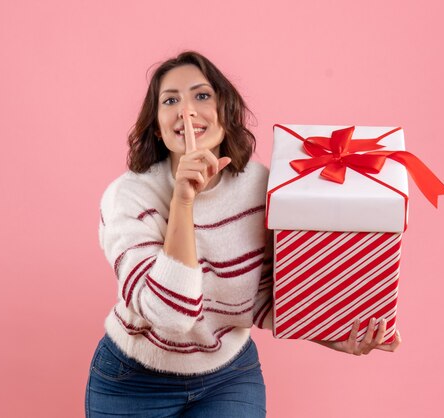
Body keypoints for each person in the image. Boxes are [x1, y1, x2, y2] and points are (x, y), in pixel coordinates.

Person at [85, 50, 401, 418]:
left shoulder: (261, 187)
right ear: (157, 125)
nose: (186, 110)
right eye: (170, 100)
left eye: (201, 95)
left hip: (228, 376)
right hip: (133, 380)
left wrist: (331, 333)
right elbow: (171, 316)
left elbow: (264, 294)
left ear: (226, 111)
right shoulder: (128, 197)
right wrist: (184, 202)